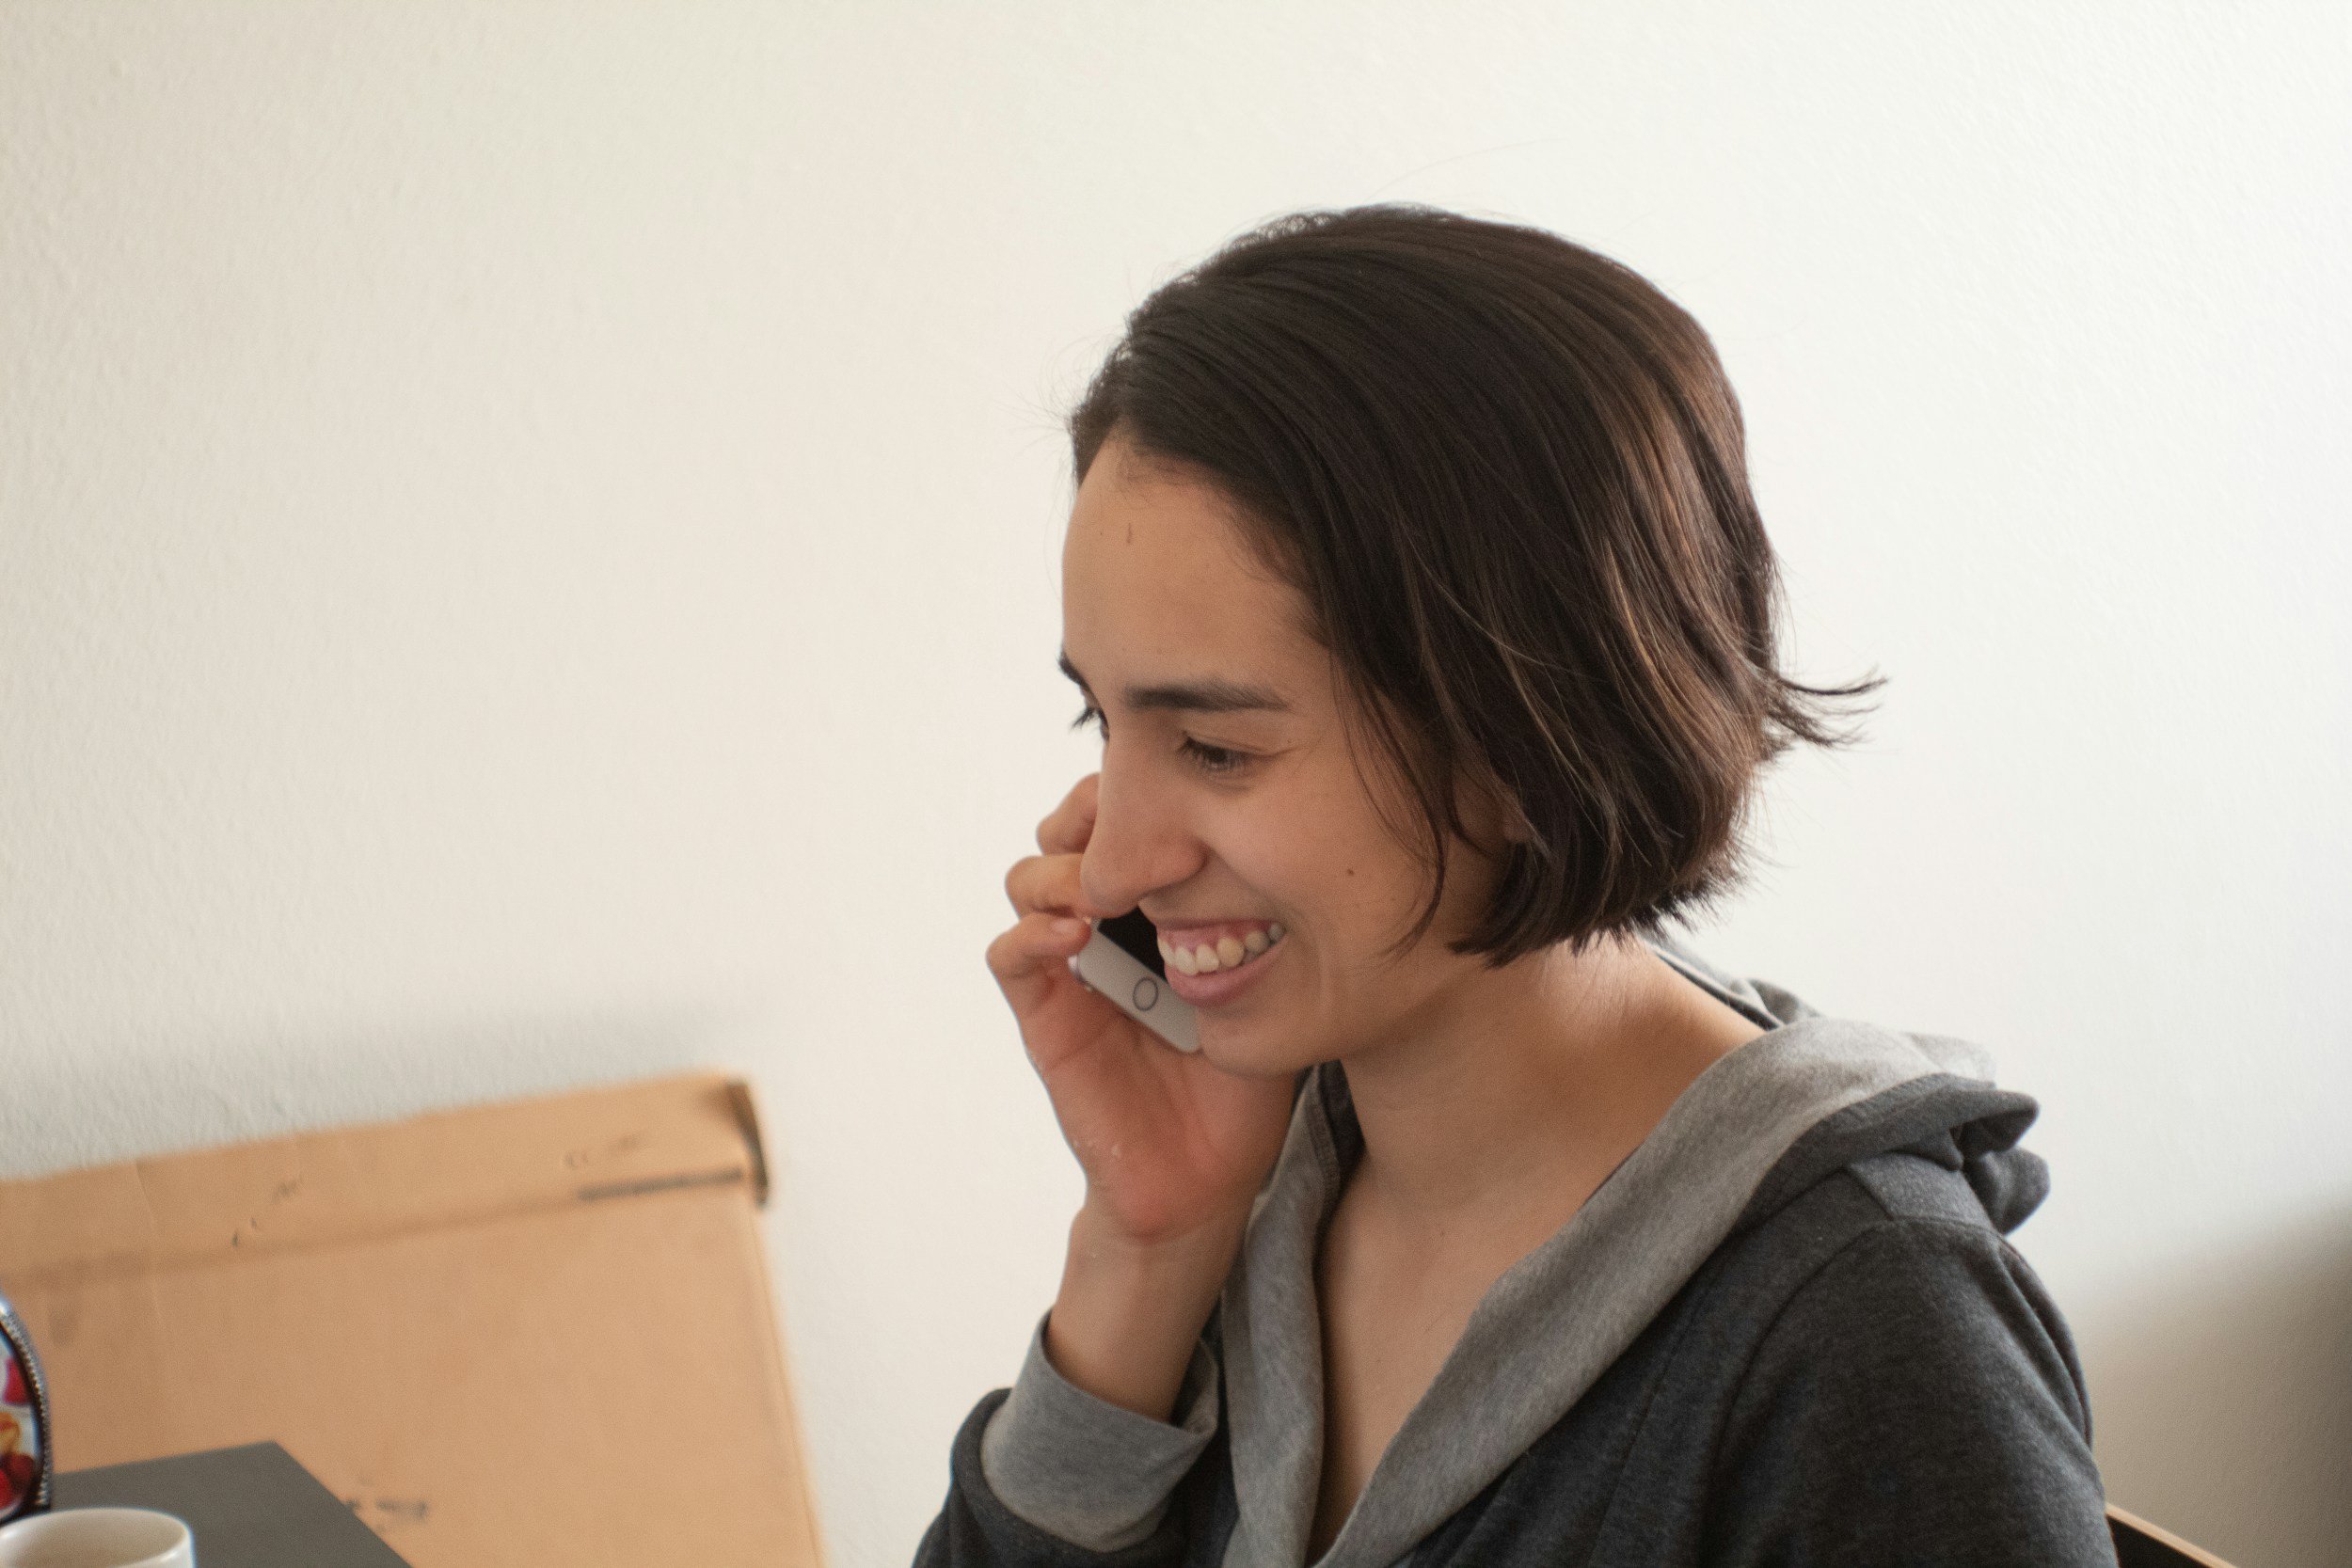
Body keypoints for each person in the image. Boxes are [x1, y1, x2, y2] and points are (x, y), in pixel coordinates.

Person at [916, 205, 2114, 1568]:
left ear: (1522, 730)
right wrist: (1147, 1246)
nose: (1117, 860)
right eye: (1104, 724)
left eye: (1216, 746)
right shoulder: (1279, 1170)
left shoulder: (1866, 1334)